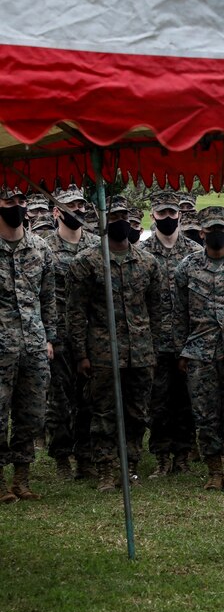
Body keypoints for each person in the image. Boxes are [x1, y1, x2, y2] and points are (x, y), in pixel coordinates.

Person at [68, 195, 162, 491]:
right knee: (104, 412)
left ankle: (130, 466)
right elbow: (76, 312)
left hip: (140, 353)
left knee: (137, 413)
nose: (120, 221)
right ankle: (106, 470)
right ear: (104, 221)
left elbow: (157, 310)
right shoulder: (87, 262)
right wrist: (81, 354)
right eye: (115, 216)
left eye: (125, 216)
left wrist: (154, 349)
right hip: (102, 352)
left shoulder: (148, 263)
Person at [173, 206, 224, 491]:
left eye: (221, 229)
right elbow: (179, 314)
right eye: (210, 230)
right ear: (201, 233)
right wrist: (182, 350)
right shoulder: (187, 267)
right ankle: (214, 469)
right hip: (199, 352)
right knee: (205, 413)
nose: (216, 234)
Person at [140, 190, 201, 477]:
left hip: (188, 341)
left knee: (186, 402)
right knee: (158, 402)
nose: (167, 218)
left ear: (180, 215)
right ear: (152, 216)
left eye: (172, 213)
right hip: (154, 342)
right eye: (161, 213)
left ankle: (183, 456)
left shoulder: (194, 253)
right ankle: (162, 457)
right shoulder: (142, 254)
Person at [0, 187, 55, 503]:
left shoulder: (39, 249)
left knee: (32, 414)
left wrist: (50, 338)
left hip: (34, 344)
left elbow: (47, 299)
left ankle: (21, 479)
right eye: (10, 202)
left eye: (22, 202)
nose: (18, 207)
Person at [42, 188, 99, 480]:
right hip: (59, 334)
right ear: (56, 211)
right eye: (71, 204)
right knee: (60, 400)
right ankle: (62, 456)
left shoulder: (96, 245)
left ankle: (86, 457)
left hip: (91, 335)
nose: (78, 209)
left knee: (88, 398)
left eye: (81, 204)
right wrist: (48, 336)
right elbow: (43, 294)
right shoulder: (45, 247)